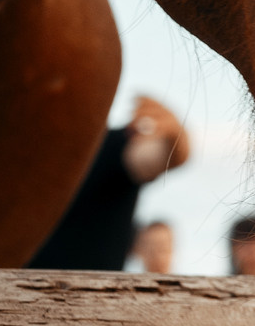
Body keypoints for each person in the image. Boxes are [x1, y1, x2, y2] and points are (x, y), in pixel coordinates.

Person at [25, 96, 193, 271]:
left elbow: (156, 156)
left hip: (90, 284)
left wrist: (175, 139)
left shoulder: (111, 146)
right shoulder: (29, 155)